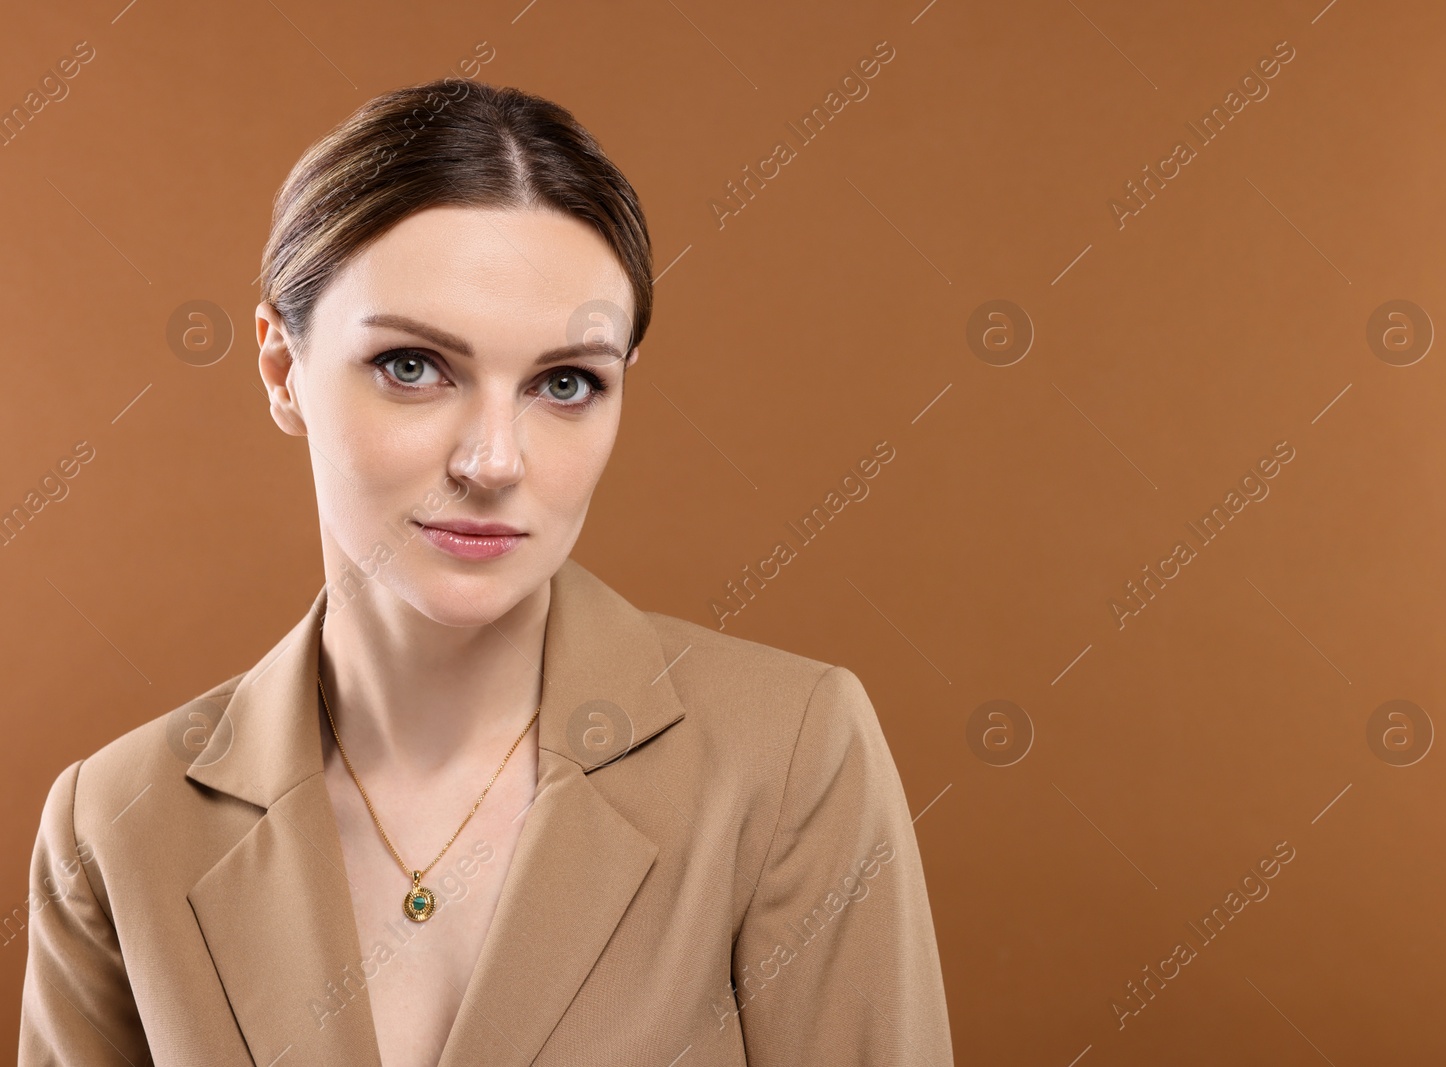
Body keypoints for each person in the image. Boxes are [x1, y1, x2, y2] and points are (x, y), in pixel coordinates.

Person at [17, 78, 954, 1066]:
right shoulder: (117, 822)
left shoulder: (790, 756)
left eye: (565, 382)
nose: (494, 460)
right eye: (414, 365)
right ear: (282, 369)